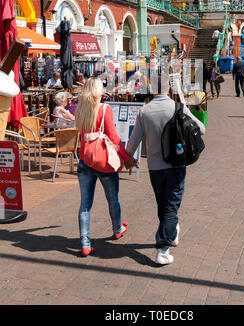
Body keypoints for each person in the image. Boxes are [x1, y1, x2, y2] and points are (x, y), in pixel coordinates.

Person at [126, 73, 206, 266]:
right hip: (175, 165)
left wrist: (128, 157)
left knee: (163, 205)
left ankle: (172, 231)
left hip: (154, 167)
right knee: (170, 206)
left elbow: (133, 141)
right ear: (168, 88)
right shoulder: (178, 107)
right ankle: (163, 248)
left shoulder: (144, 111)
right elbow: (201, 129)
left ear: (151, 89)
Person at [75, 78, 137, 257]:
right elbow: (115, 139)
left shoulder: (81, 110)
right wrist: (127, 159)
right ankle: (117, 229)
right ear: (97, 91)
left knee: (85, 205)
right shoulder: (104, 109)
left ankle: (85, 244)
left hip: (86, 160)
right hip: (104, 162)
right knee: (113, 199)